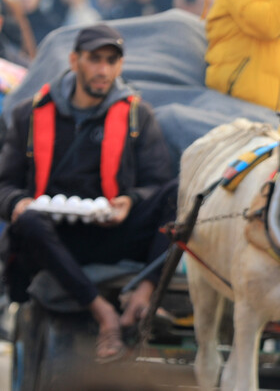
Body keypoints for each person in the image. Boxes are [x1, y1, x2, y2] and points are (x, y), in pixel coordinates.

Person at [0, 24, 173, 362]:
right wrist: (17, 202)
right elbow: (4, 185)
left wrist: (131, 200)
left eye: (111, 61)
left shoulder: (138, 116)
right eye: (95, 60)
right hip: (50, 240)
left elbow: (157, 182)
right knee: (30, 220)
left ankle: (146, 292)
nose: (103, 70)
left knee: (178, 194)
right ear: (74, 60)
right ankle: (103, 312)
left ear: (120, 66)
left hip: (109, 230)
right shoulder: (29, 116)